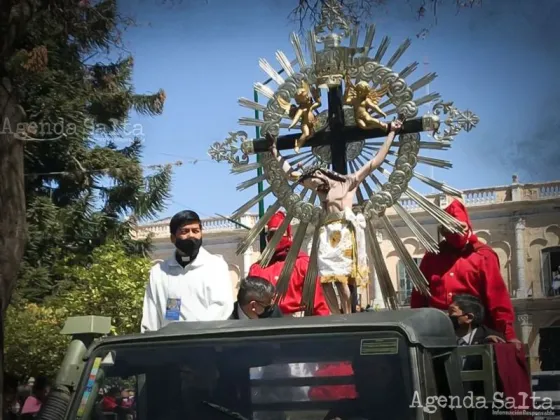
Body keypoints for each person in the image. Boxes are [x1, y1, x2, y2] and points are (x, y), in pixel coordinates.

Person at [267, 120, 403, 314]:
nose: (313, 187)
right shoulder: (320, 188)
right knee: (325, 279)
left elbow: (375, 161)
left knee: (341, 280)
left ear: (321, 174)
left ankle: (346, 315)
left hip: (343, 230)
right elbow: (291, 174)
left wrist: (391, 134)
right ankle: (336, 314)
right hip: (327, 232)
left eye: (313, 182)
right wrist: (274, 150)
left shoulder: (348, 182)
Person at [410, 199, 520, 344]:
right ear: (443, 231)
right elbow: (419, 296)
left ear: (468, 227)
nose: (456, 233)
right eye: (450, 229)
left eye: (460, 228)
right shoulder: (432, 257)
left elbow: (497, 298)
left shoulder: (483, 256)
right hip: (437, 331)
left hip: (474, 331)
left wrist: (509, 334)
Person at [141, 210, 234, 332]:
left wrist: (195, 335)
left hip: (204, 342)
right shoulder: (159, 272)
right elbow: (151, 314)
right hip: (168, 344)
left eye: (195, 231)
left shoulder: (216, 266)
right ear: (173, 238)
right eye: (185, 231)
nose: (191, 235)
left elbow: (222, 308)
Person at [248, 211, 330, 317]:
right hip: (267, 325)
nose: (276, 238)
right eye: (272, 234)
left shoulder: (304, 264)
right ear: (268, 237)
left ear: (289, 235)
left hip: (299, 326)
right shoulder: (257, 269)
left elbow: (318, 304)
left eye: (280, 233)